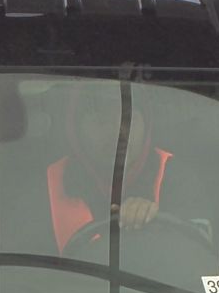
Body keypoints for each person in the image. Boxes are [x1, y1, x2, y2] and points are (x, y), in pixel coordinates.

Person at [45, 84, 174, 254]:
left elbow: (199, 265)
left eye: (129, 119)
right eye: (101, 121)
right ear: (76, 130)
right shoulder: (45, 185)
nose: (118, 132)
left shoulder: (176, 174)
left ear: (147, 125)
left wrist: (157, 222)